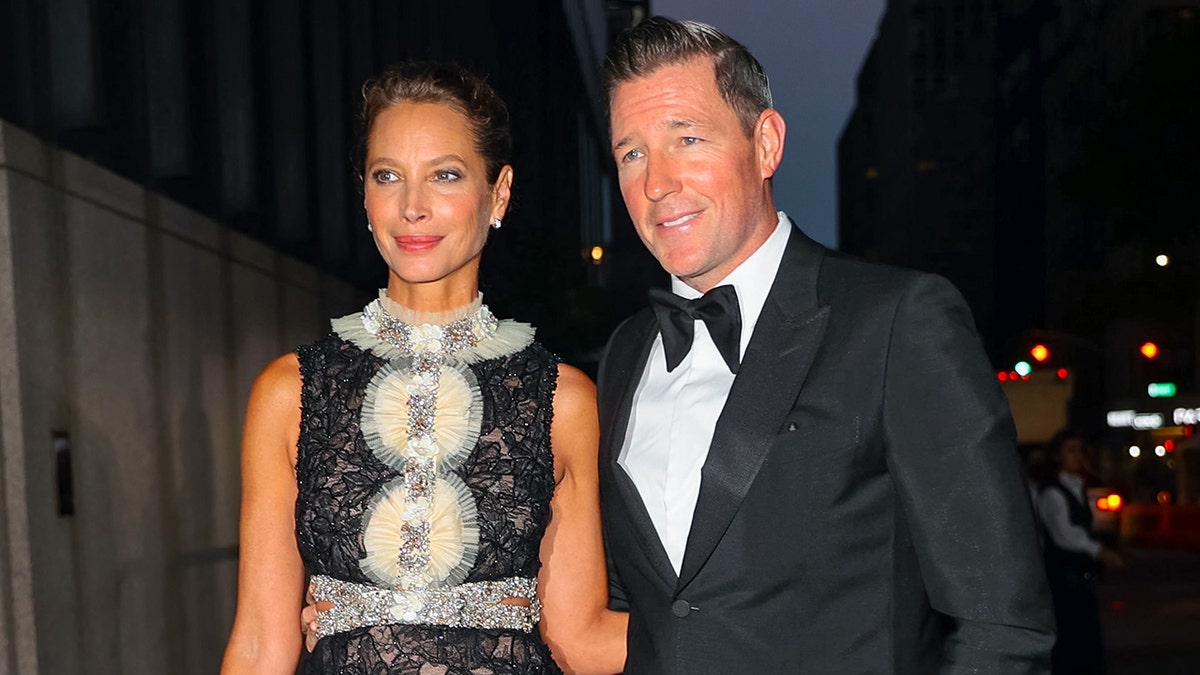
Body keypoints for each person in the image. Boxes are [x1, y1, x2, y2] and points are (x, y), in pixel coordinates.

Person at [594, 17, 1055, 673]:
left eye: (687, 139)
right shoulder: (625, 353)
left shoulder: (898, 321)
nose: (657, 182)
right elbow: (636, 603)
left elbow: (1003, 625)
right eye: (631, 153)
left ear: (766, 145)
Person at [221, 62, 626, 675]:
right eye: (388, 176)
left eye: (445, 175)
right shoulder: (290, 393)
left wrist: (771, 629)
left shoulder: (564, 400)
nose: (412, 206)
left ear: (501, 191)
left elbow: (580, 638)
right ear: (364, 192)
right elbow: (259, 642)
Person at [1037, 430, 1123, 674]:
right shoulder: (1052, 492)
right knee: (1072, 644)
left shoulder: (1077, 487)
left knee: (1086, 641)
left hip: (1079, 578)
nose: (1078, 456)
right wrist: (1099, 551)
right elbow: (1066, 535)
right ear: (1057, 456)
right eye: (1071, 450)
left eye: (1080, 450)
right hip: (1064, 579)